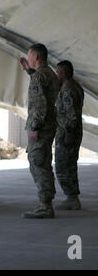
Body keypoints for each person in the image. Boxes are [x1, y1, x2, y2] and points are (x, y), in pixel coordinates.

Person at [19, 44, 59, 219]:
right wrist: (29, 71)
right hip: (49, 125)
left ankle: (45, 205)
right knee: (44, 162)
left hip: (41, 127)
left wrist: (35, 127)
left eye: (29, 56)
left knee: (38, 163)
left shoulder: (39, 77)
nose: (27, 59)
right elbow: (45, 91)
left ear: (36, 57)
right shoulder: (49, 73)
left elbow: (40, 103)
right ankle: (46, 202)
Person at [54, 60, 84, 210]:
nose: (56, 74)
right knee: (69, 165)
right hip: (70, 131)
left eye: (58, 71)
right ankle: (72, 197)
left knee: (63, 165)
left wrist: (68, 133)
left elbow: (72, 114)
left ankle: (71, 198)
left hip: (68, 132)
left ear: (63, 73)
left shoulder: (68, 90)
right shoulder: (73, 86)